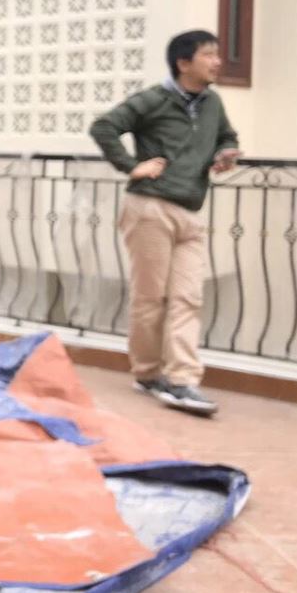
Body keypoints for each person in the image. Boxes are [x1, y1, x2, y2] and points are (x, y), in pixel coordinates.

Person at [89, 30, 241, 415]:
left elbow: (226, 135)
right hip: (150, 208)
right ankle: (148, 373)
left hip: (190, 211)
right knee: (150, 298)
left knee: (188, 297)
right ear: (183, 63)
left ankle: (182, 380)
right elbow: (104, 127)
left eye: (218, 54)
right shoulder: (154, 99)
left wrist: (224, 153)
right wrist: (131, 166)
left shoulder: (212, 103)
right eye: (209, 55)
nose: (217, 61)